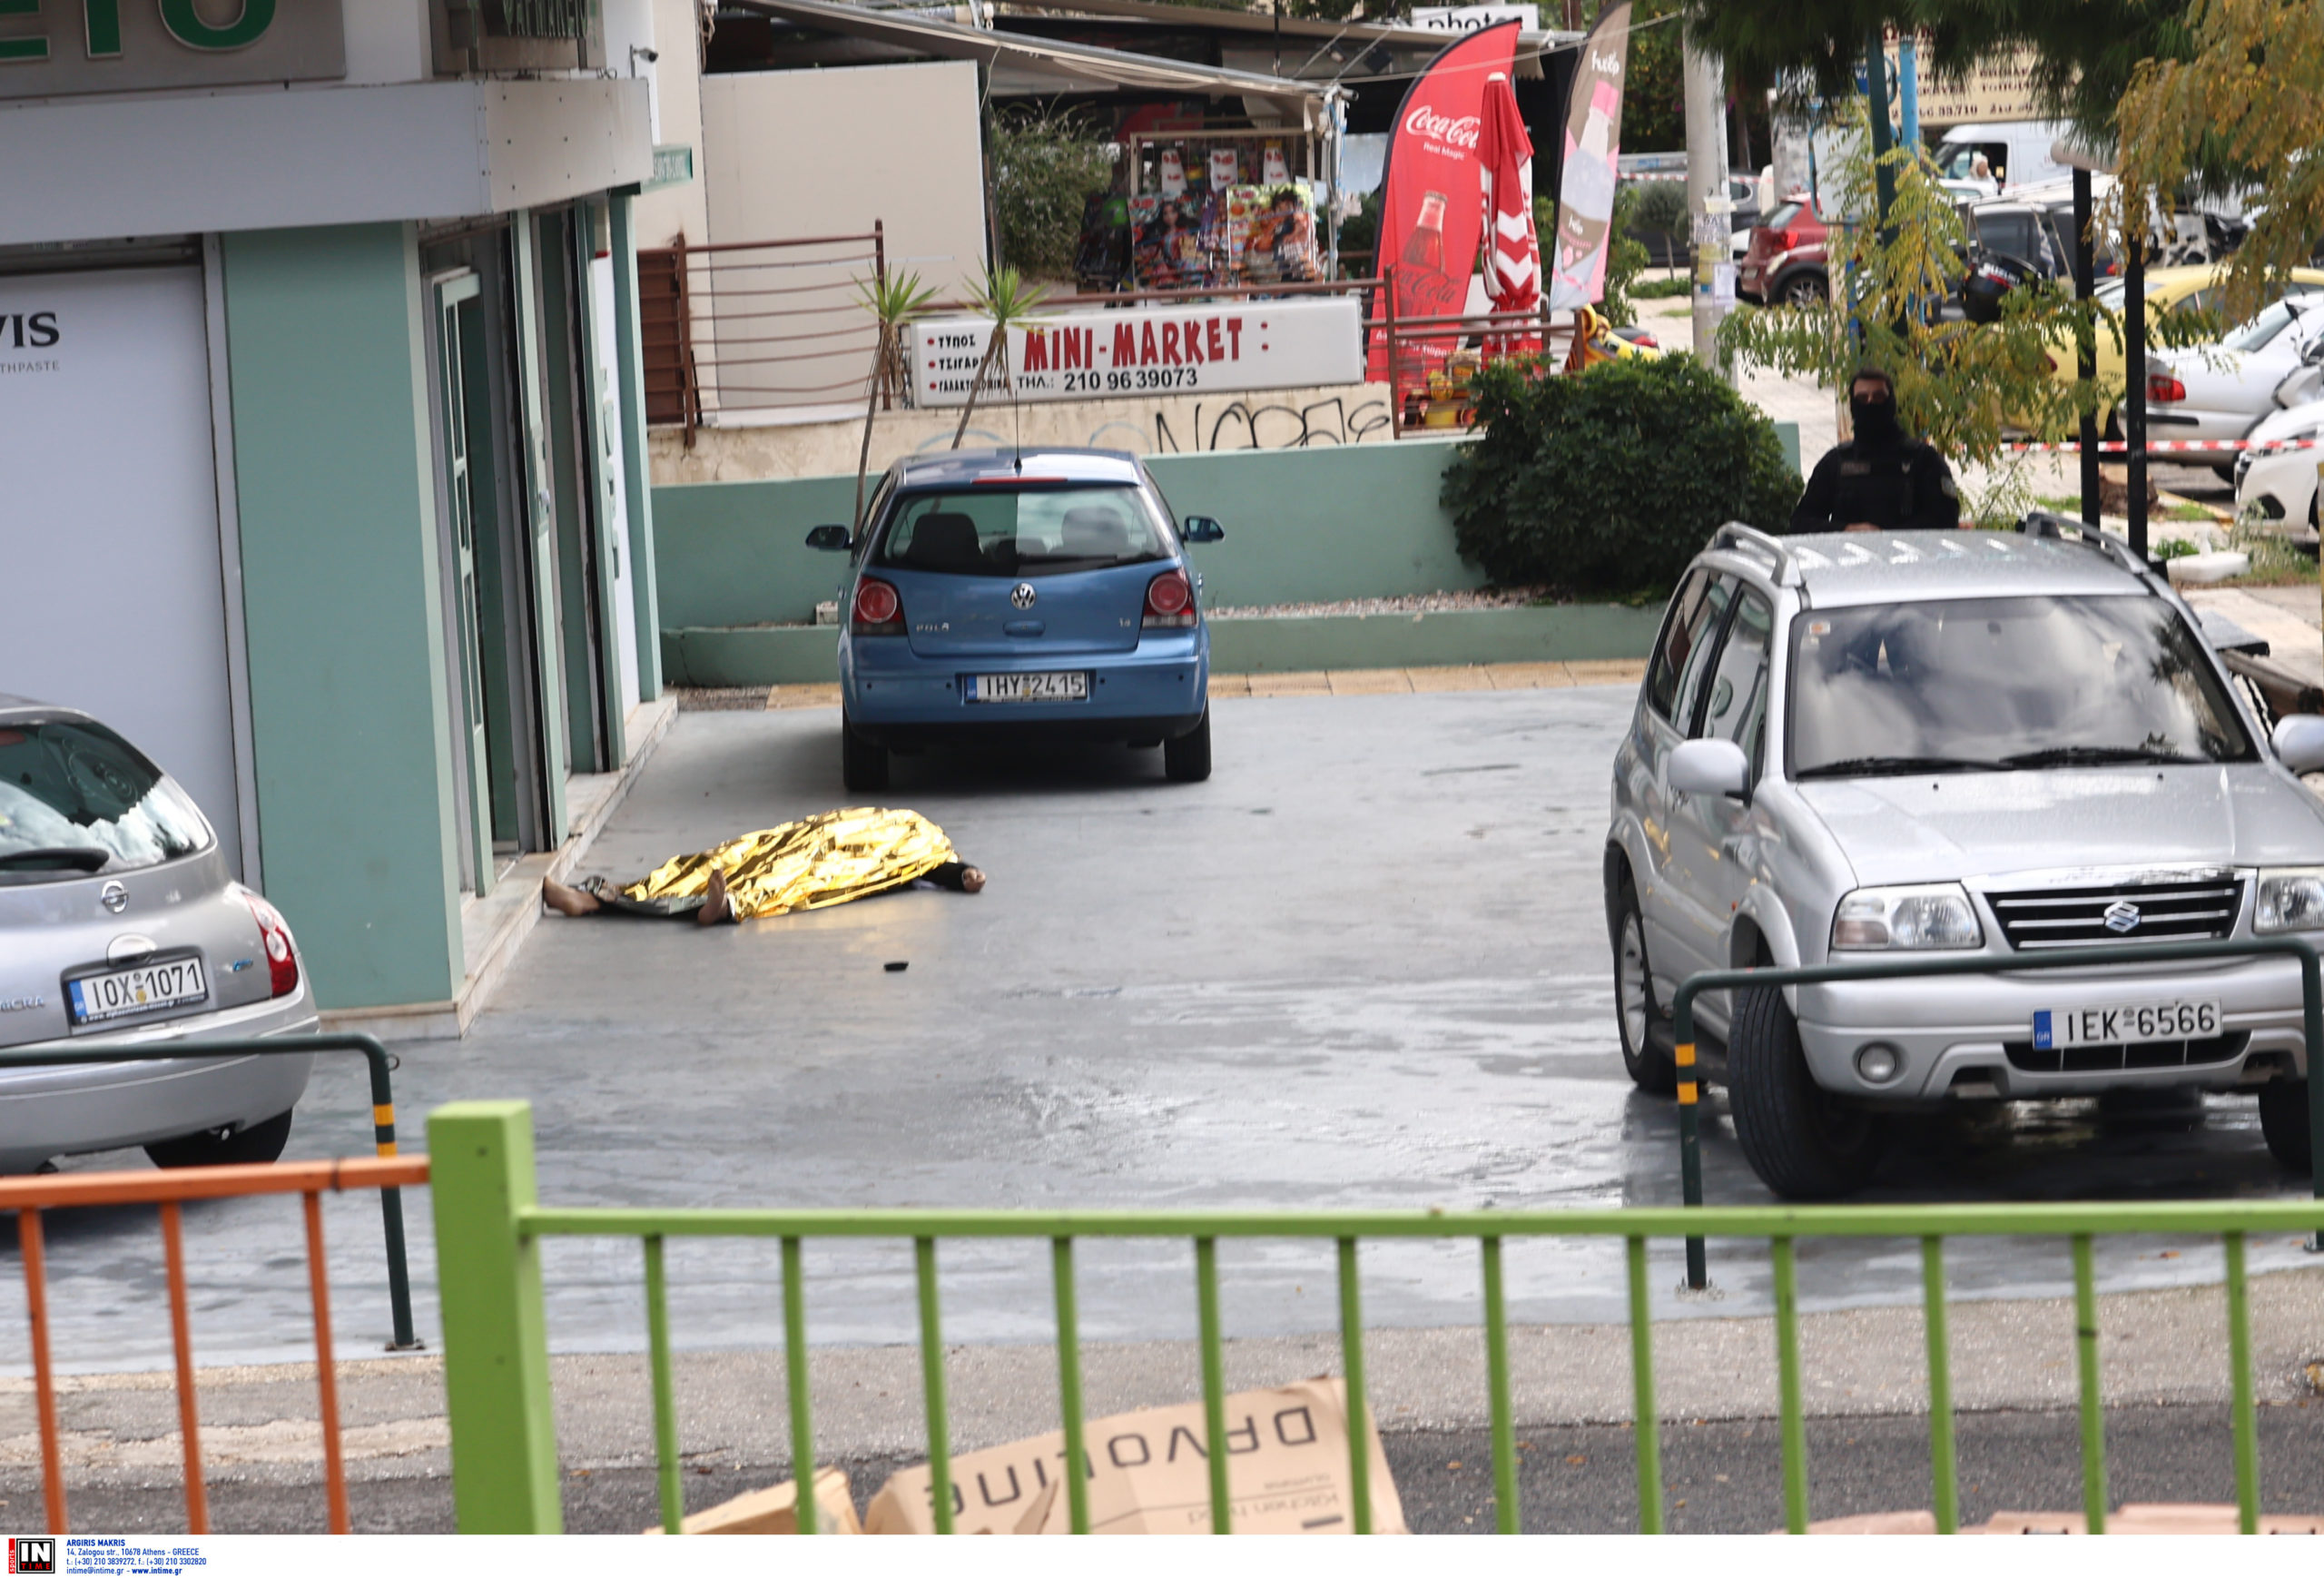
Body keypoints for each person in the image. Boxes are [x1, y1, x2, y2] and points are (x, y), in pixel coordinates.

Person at [541, 806, 984, 926]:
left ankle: (724, 908)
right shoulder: (915, 824)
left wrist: (962, 873)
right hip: (807, 836)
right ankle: (596, 897)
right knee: (720, 860)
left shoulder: (929, 847)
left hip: (839, 862)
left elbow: (932, 866)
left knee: (786, 880)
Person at [1788, 368, 1963, 533]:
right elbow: (1801, 522)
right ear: (1853, 405)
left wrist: (1886, 537)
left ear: (1891, 402)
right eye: (1862, 398)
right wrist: (1846, 530)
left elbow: (1946, 519)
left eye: (1878, 397)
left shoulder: (1924, 460)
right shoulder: (1835, 463)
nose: (1870, 403)